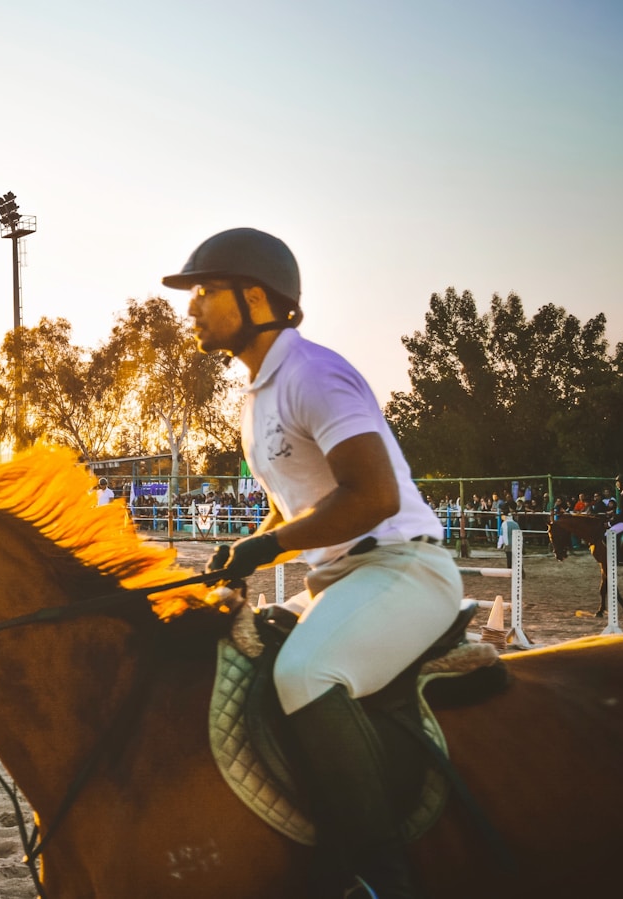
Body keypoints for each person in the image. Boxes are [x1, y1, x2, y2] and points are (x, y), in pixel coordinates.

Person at [169, 227, 459, 898]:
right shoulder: (256, 396)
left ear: (253, 296)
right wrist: (244, 546)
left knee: (304, 672)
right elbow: (301, 504)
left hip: (403, 568)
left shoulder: (314, 373)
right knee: (245, 660)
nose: (193, 308)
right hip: (342, 578)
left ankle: (381, 877)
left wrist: (268, 547)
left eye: (205, 292)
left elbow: (375, 495)